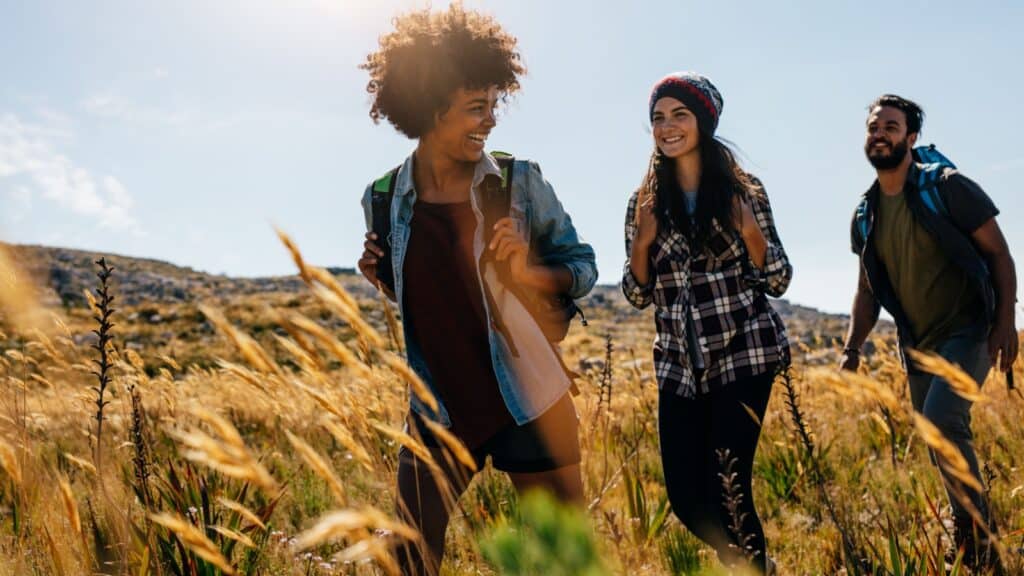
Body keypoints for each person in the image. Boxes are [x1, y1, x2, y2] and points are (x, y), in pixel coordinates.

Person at [357, 6, 597, 575]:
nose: (489, 120)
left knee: (564, 563)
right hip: (437, 409)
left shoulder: (519, 181)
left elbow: (581, 267)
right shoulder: (384, 196)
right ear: (429, 104)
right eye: (475, 108)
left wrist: (529, 272)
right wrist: (382, 280)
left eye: (494, 105)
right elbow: (431, 301)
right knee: (410, 559)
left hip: (529, 402)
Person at [622, 72, 791, 575]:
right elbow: (636, 294)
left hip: (744, 356)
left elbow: (779, 278)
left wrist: (751, 234)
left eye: (679, 115)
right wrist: (641, 245)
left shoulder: (744, 191)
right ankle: (757, 567)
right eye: (658, 117)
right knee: (685, 498)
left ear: (704, 122)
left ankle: (751, 569)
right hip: (678, 367)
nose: (667, 127)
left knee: (730, 492)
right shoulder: (644, 202)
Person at [840, 94, 1017, 569]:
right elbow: (867, 288)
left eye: (891, 127)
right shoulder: (866, 213)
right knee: (937, 439)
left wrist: (1005, 324)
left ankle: (981, 544)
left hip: (970, 329)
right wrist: (852, 346)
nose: (880, 133)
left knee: (943, 420)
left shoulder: (948, 187)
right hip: (917, 345)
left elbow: (1000, 255)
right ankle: (969, 532)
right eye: (874, 127)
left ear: (911, 138)